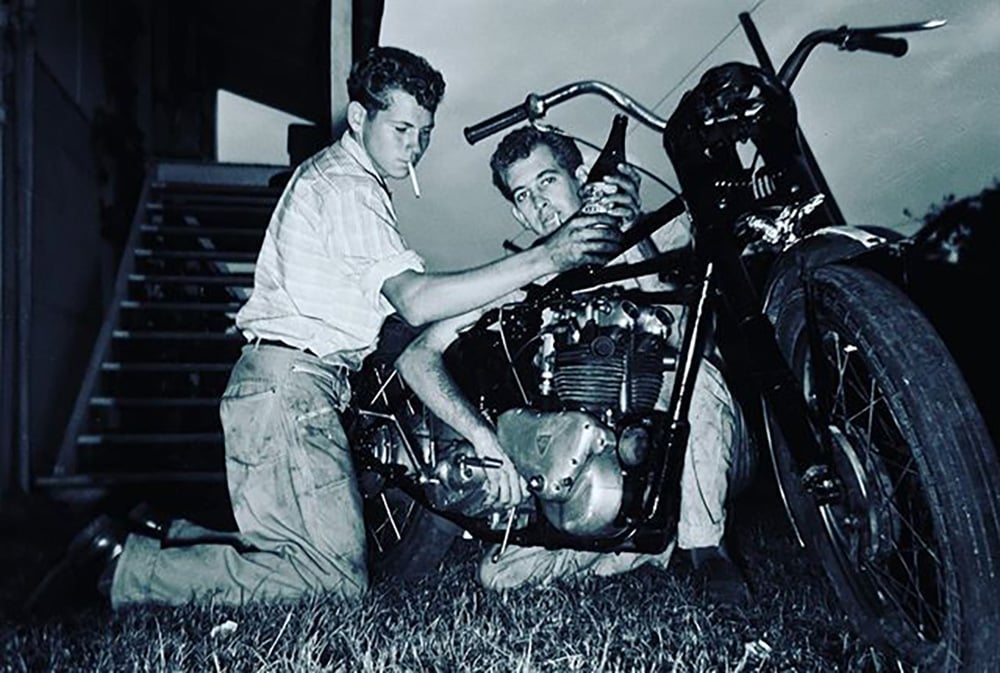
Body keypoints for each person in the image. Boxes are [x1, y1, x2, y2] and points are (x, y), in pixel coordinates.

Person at [25, 47, 622, 613]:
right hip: (289, 390)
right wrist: (546, 258)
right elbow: (414, 302)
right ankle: (122, 566)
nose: (414, 147)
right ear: (360, 117)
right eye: (401, 129)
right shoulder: (347, 189)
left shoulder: (345, 182)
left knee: (316, 559)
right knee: (331, 583)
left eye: (424, 133)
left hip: (293, 388)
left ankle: (165, 533)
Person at [394, 126, 750, 605]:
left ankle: (708, 549)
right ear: (517, 211)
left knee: (696, 379)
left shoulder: (659, 233)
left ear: (579, 177)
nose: (539, 203)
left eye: (547, 181)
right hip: (600, 456)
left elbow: (696, 341)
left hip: (682, 416)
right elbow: (417, 357)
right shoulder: (520, 280)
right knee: (499, 575)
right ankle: (649, 544)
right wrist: (483, 439)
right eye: (524, 194)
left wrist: (633, 237)